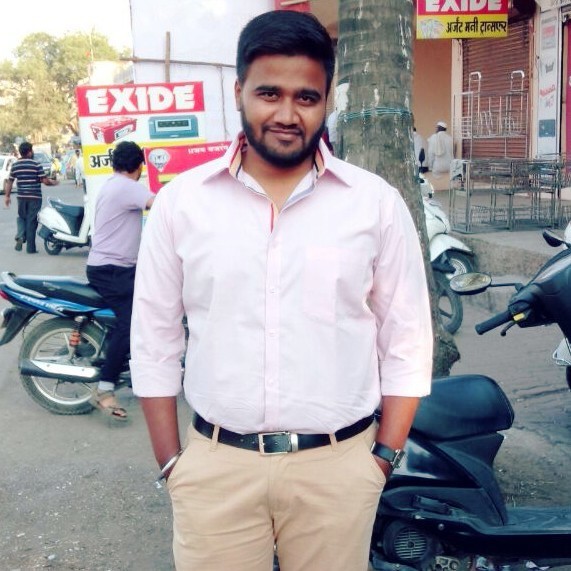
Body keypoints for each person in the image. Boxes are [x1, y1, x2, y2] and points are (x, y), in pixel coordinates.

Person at [130, 10, 432, 571]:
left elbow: (407, 339)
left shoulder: (374, 204)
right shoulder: (181, 203)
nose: (287, 115)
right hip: (216, 469)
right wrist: (173, 463)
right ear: (239, 91)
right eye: (269, 93)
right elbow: (153, 339)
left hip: (339, 470)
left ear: (327, 101)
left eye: (306, 97)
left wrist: (381, 459)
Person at [86, 141, 154, 421]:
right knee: (131, 321)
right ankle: (105, 388)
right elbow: (162, 206)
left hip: (113, 267)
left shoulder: (113, 184)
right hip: (112, 270)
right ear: (139, 166)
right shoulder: (128, 187)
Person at [4, 141, 59, 254]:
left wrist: (7, 196)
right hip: (35, 197)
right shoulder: (36, 164)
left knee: (22, 217)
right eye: (32, 150)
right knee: (32, 221)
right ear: (29, 152)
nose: (32, 152)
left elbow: (10, 181)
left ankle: (20, 236)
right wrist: (54, 183)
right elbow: (45, 181)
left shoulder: (15, 165)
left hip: (21, 197)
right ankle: (31, 248)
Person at [426, 120, 454, 190]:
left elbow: (430, 153)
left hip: (437, 168)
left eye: (437, 127)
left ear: (439, 128)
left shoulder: (434, 137)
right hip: (449, 167)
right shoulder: (450, 138)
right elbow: (452, 153)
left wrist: (430, 166)